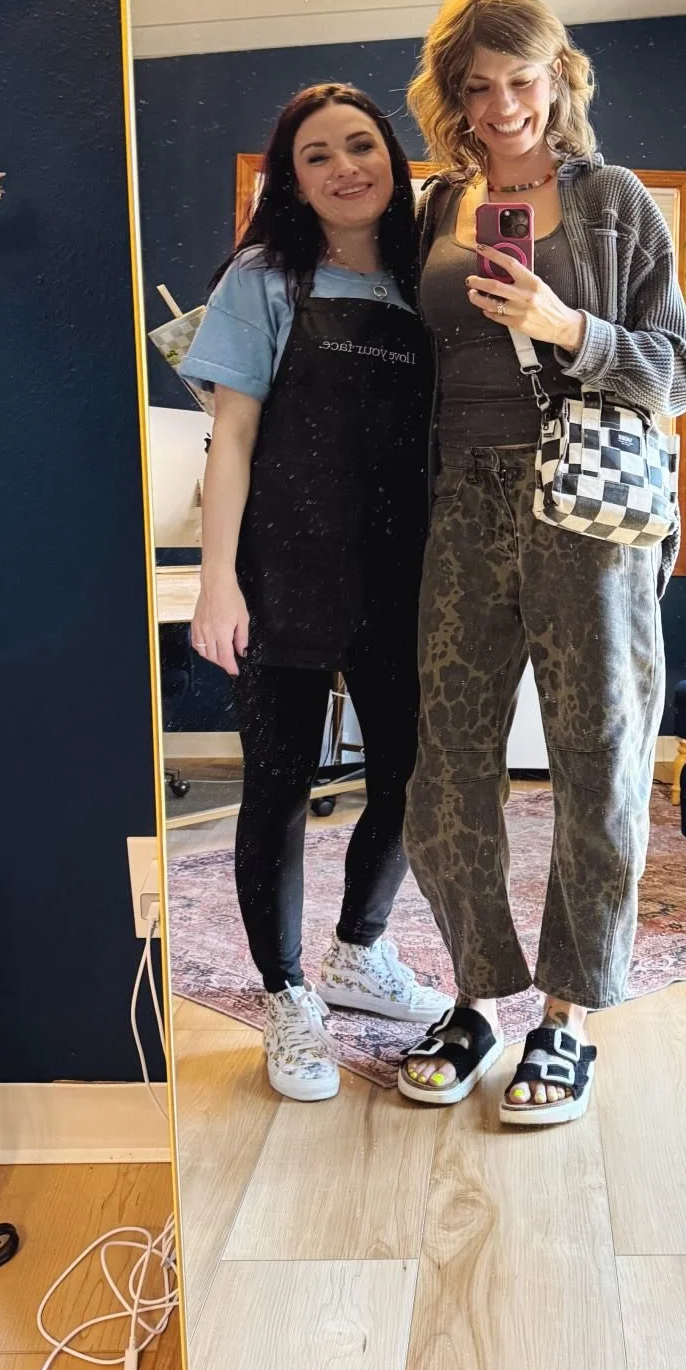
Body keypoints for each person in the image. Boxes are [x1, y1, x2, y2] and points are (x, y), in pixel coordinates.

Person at [397, 0, 686, 1127]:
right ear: (452, 97)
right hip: (461, 505)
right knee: (444, 765)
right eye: (476, 87)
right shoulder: (438, 207)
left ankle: (566, 1018)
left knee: (600, 755)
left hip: (585, 504)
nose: (501, 105)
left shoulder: (613, 203)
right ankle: (477, 996)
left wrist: (565, 326)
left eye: (520, 79)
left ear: (558, 76)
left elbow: (678, 374)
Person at [181, 83, 451, 1101]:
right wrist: (216, 582)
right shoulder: (263, 278)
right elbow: (232, 439)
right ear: (290, 181)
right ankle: (287, 993)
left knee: (413, 779)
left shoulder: (432, 281)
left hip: (405, 574)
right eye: (317, 155)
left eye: (361, 145)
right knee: (279, 786)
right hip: (281, 572)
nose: (345, 168)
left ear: (393, 159)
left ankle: (358, 952)